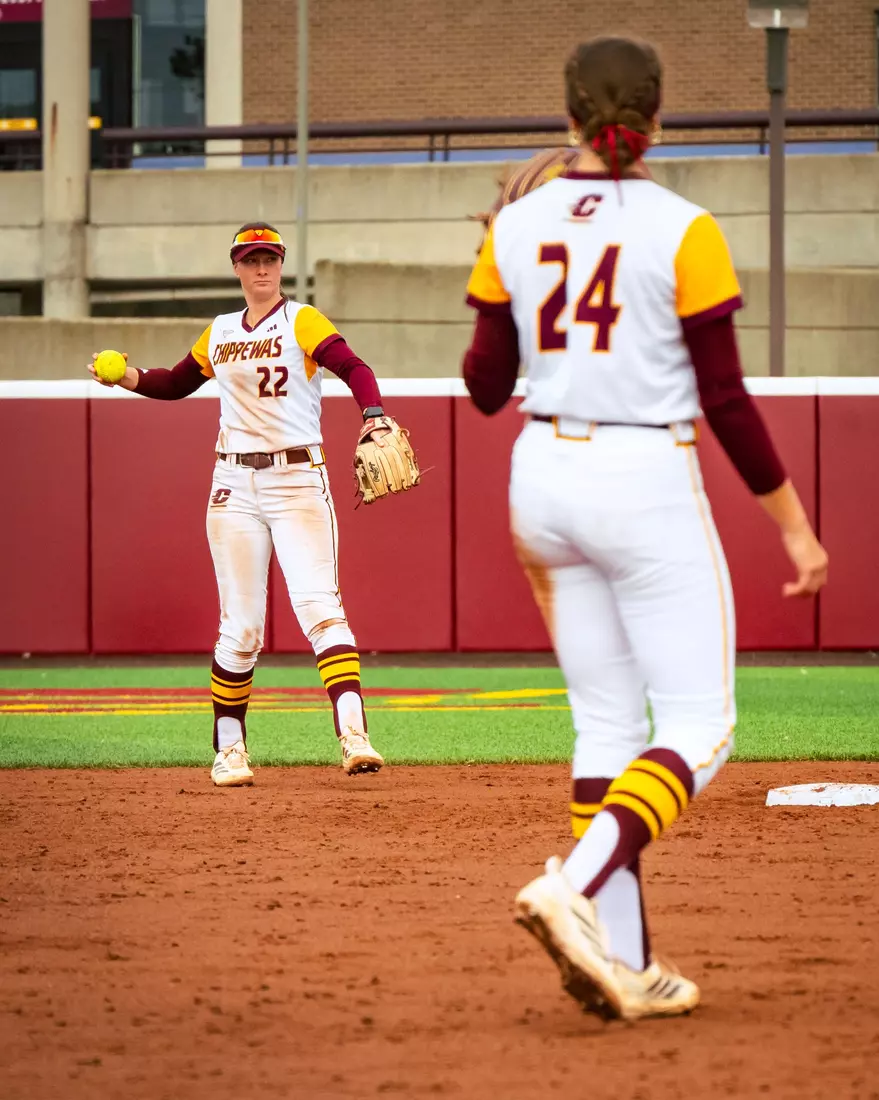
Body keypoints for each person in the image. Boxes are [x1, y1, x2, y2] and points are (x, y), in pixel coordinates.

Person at [462, 37, 827, 1021]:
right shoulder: (685, 225)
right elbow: (727, 400)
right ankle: (571, 889)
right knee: (701, 729)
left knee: (608, 726)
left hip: (541, 476)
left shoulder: (518, 222)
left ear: (567, 114)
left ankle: (625, 958)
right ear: (658, 116)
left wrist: (500, 261)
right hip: (642, 475)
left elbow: (486, 388)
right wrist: (795, 528)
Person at [88, 222, 408, 787]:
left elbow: (354, 367)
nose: (262, 267)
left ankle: (354, 737)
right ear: (236, 266)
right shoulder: (218, 332)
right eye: (250, 258)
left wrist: (374, 413)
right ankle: (230, 751)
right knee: (241, 627)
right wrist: (130, 377)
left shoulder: (301, 319)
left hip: (297, 479)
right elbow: (176, 382)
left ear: (281, 263)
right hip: (232, 484)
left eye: (270, 258)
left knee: (319, 607)